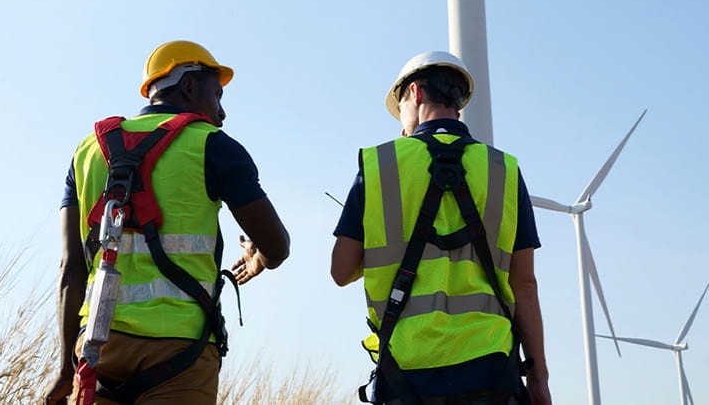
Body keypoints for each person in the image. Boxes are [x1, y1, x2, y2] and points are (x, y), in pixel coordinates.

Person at [44, 40, 290, 405]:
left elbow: (71, 267)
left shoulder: (87, 151)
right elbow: (277, 247)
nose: (221, 113)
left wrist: (66, 368)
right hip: (181, 353)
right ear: (189, 86)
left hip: (98, 349)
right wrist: (257, 259)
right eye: (217, 95)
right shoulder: (214, 146)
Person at [331, 51, 551, 405]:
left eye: (399, 109)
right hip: (491, 367)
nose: (400, 125)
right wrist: (538, 377)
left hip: (406, 369)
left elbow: (340, 271)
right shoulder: (504, 170)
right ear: (459, 105)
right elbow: (524, 284)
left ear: (415, 93)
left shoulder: (379, 165)